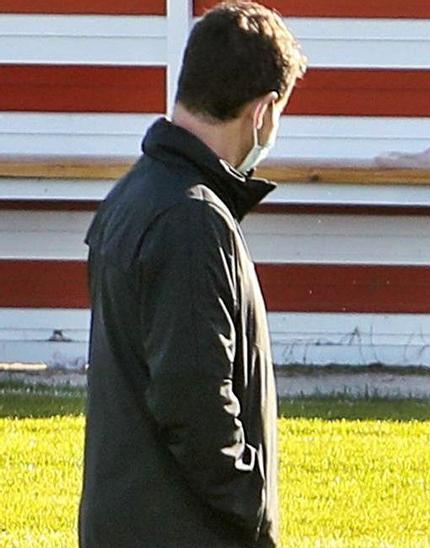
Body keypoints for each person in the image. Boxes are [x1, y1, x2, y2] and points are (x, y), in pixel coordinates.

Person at [79, 2, 305, 546]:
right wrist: (253, 506)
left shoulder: (132, 195)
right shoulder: (192, 218)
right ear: (264, 111)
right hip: (183, 528)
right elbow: (196, 405)